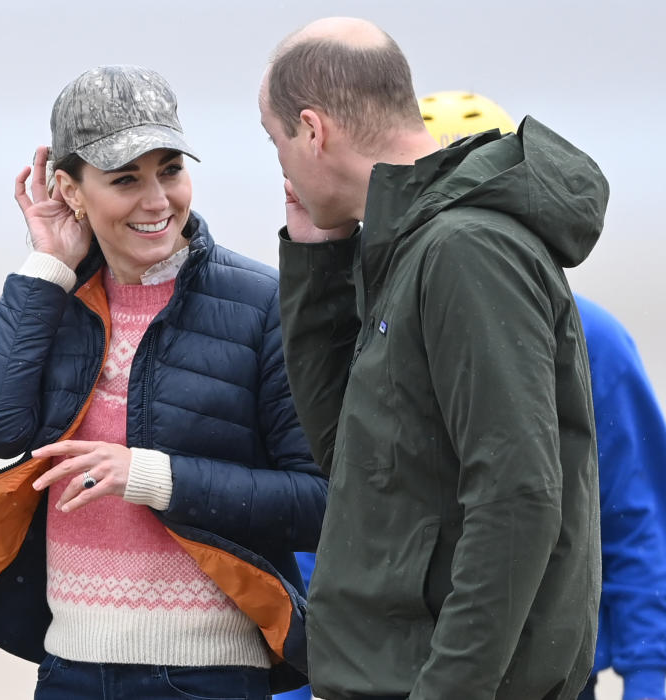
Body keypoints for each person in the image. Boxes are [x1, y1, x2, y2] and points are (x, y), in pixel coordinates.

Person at [0, 64, 325, 699]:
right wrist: (47, 265)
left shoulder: (263, 303)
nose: (157, 200)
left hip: (210, 677)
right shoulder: (58, 297)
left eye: (170, 171)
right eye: (125, 179)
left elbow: (318, 501)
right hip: (66, 671)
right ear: (69, 189)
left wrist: (150, 476)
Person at [260, 17, 609, 700]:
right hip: (393, 676)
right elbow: (353, 462)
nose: (281, 165)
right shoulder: (408, 247)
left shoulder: (464, 250)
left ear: (313, 130)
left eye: (275, 142)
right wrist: (316, 256)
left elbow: (518, 498)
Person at [420, 90, 666, 700]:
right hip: (389, 666)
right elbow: (337, 516)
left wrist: (650, 674)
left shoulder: (594, 339)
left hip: (547, 672)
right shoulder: (371, 332)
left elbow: (634, 518)